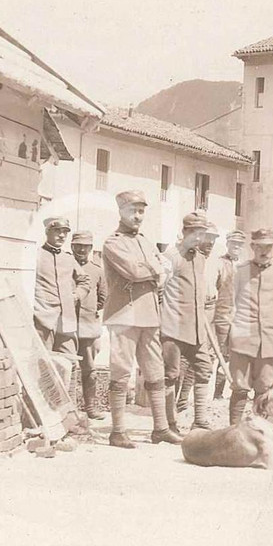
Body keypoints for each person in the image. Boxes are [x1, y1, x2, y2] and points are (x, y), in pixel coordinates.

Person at [101, 191, 168, 449]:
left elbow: (154, 268)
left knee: (155, 371)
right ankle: (117, 431)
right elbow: (134, 270)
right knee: (120, 372)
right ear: (121, 212)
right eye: (133, 211)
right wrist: (155, 270)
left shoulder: (146, 241)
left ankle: (160, 428)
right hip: (124, 314)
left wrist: (153, 270)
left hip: (149, 314)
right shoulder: (112, 242)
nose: (138, 216)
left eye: (141, 211)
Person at [226, 229, 273, 425]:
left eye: (268, 247)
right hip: (242, 339)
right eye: (258, 246)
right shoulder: (240, 271)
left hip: (270, 341)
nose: (263, 251)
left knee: (264, 387)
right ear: (252, 247)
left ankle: (257, 430)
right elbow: (229, 303)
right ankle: (234, 430)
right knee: (240, 387)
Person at [160, 213, 218, 435]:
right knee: (171, 375)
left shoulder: (200, 258)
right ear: (184, 232)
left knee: (204, 367)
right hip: (173, 327)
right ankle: (168, 424)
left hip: (196, 328)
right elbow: (158, 290)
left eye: (201, 234)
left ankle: (200, 421)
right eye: (194, 233)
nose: (198, 238)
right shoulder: (170, 256)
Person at [171, 221, 223, 417]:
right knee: (179, 362)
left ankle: (185, 401)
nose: (209, 242)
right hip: (183, 313)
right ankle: (171, 408)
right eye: (207, 238)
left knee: (202, 360)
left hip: (208, 310)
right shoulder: (182, 257)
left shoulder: (214, 261)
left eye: (213, 239)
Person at [34, 217, 89, 355]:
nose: (62, 235)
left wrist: (76, 296)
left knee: (68, 359)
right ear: (47, 232)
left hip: (66, 320)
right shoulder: (36, 255)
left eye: (65, 232)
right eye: (57, 231)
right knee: (43, 362)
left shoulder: (69, 258)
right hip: (42, 319)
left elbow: (84, 280)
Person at [71, 230, 107, 419]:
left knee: (89, 369)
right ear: (72, 246)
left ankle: (90, 408)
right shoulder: (65, 266)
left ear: (91, 248)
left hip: (88, 327)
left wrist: (89, 309)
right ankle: (68, 409)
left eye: (85, 246)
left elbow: (103, 298)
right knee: (66, 367)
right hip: (67, 326)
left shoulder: (97, 270)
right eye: (78, 246)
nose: (81, 250)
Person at [212, 229, 247, 399]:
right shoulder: (219, 263)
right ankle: (214, 395)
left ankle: (231, 393)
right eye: (233, 244)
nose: (236, 247)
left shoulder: (246, 266)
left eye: (239, 245)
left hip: (240, 318)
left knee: (237, 355)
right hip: (222, 316)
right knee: (218, 354)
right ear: (227, 244)